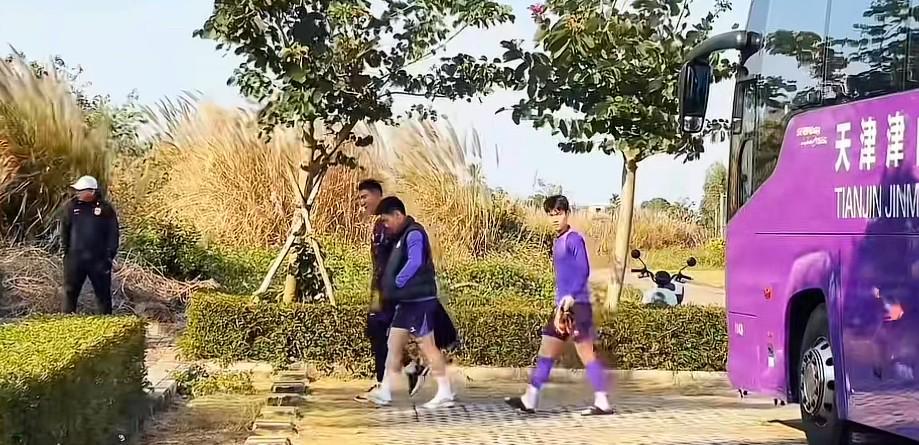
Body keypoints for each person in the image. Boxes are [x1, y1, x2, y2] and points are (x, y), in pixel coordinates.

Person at [505, 195, 614, 416]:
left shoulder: (574, 239)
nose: (555, 218)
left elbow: (584, 270)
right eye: (551, 215)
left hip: (578, 306)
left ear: (567, 214)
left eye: (559, 214)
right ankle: (530, 399)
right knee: (547, 351)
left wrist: (572, 296)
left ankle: (603, 402)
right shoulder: (558, 241)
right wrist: (561, 303)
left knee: (587, 354)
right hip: (562, 308)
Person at [368, 196, 456, 409]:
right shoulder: (399, 236)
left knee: (428, 346)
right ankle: (386, 391)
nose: (385, 225)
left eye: (387, 220)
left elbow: (415, 262)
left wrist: (397, 282)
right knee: (393, 344)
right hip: (406, 302)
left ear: (398, 215)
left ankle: (445, 392)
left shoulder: (414, 233)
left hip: (420, 301)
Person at [353, 180, 428, 403]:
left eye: (365, 197)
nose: (361, 202)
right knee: (377, 331)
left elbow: (404, 257)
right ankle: (411, 367)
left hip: (390, 290)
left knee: (381, 331)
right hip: (380, 288)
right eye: (359, 198)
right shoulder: (380, 225)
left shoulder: (392, 224)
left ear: (378, 196)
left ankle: (384, 383)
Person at [60, 175, 119, 315]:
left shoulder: (105, 209)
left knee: (103, 294)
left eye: (81, 191)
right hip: (75, 258)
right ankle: (66, 319)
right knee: (70, 292)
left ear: (92, 191)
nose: (78, 193)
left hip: (99, 259)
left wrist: (110, 254)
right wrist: (66, 253)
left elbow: (113, 233)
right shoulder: (71, 207)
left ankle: (106, 320)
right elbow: (65, 231)